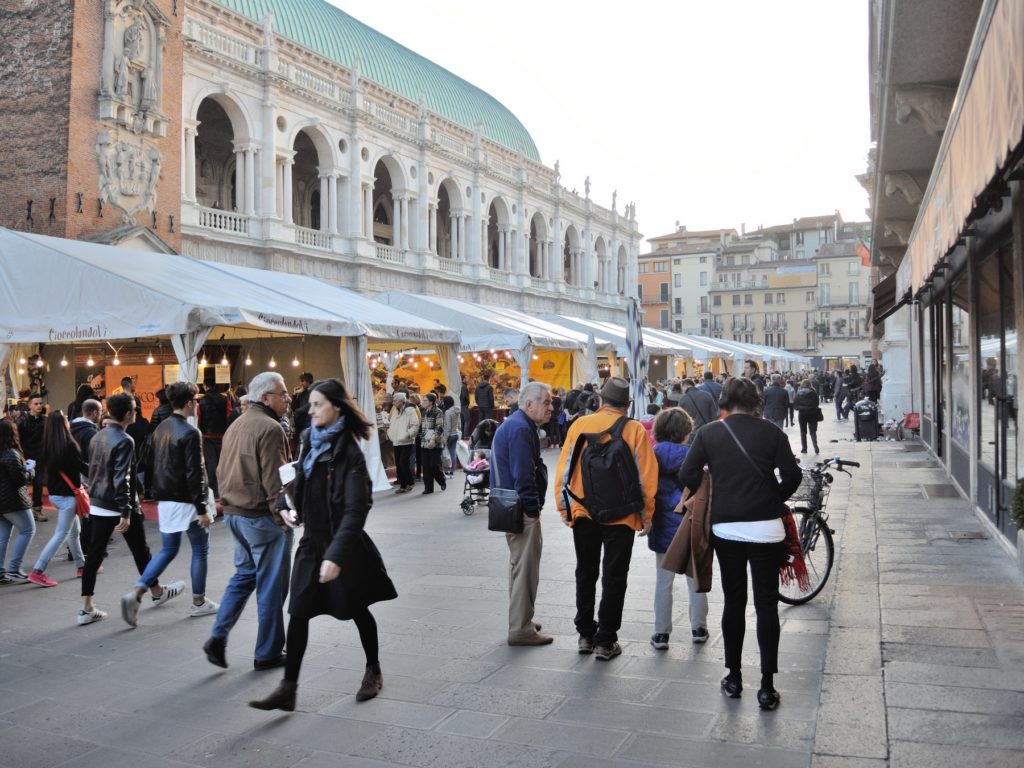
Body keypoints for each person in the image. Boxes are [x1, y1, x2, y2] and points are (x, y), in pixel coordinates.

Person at [248, 378, 397, 711]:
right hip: (312, 543)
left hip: (343, 548)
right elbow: (298, 480)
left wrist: (337, 556)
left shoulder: (350, 453)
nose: (310, 409)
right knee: (298, 611)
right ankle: (288, 688)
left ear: (336, 407)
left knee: (357, 608)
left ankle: (373, 668)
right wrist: (286, 508)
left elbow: (358, 509)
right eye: (311, 404)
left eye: (317, 404)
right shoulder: (309, 441)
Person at [677, 377, 802, 711]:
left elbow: (686, 475)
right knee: (766, 605)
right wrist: (773, 498)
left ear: (723, 401)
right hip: (767, 529)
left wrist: (714, 488)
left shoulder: (708, 433)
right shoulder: (772, 432)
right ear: (756, 402)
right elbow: (793, 476)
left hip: (726, 527)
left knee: (734, 601)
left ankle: (733, 677)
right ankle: (766, 686)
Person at [555, 377, 657, 661]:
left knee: (585, 572)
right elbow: (647, 477)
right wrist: (646, 515)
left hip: (583, 511)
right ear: (627, 405)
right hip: (621, 515)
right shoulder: (634, 429)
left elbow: (564, 470)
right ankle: (606, 640)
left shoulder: (579, 426)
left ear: (600, 400)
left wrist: (565, 509)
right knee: (615, 577)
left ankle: (585, 634)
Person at [203, 372, 292, 670]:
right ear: (266, 398)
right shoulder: (269, 428)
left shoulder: (237, 424)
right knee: (271, 586)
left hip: (235, 514)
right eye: (283, 393)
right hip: (260, 518)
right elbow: (275, 480)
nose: (288, 398)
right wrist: (283, 517)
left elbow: (220, 471)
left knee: (243, 577)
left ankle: (218, 634)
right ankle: (267, 652)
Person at [120, 381, 215, 628]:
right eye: (195, 400)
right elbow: (195, 473)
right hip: (186, 500)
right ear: (188, 402)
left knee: (168, 550)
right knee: (200, 550)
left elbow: (150, 462)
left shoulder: (161, 427)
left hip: (165, 498)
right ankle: (199, 601)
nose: (197, 404)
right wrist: (203, 508)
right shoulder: (190, 433)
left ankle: (139, 591)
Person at [79, 393, 166, 626]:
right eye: (135, 409)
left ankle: (87, 606)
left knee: (94, 556)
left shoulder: (97, 437)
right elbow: (122, 477)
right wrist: (126, 510)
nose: (136, 412)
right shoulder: (125, 440)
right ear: (128, 414)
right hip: (118, 506)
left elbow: (95, 470)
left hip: (98, 503)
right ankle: (156, 591)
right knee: (140, 551)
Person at [490, 381, 554, 646]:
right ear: (529, 404)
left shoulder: (518, 425)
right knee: (526, 568)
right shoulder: (519, 429)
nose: (551, 407)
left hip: (511, 506)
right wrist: (533, 509)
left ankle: (522, 618)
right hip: (519, 507)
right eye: (546, 402)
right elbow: (523, 475)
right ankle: (520, 629)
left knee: (520, 567)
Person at [647, 408, 709, 649]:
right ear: (686, 430)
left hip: (663, 524)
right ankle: (699, 628)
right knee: (696, 577)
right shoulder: (694, 455)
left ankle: (661, 633)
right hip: (691, 523)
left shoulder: (654, 453)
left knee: (663, 581)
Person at [27, 411, 88, 587]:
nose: (68, 420)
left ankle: (82, 566)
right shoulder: (68, 445)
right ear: (62, 424)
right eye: (66, 419)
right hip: (68, 497)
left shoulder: (47, 445)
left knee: (74, 531)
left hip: (54, 496)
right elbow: (83, 468)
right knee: (61, 534)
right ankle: (38, 570)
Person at [0, 420, 36, 584]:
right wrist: (30, 470)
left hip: (2, 501)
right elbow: (20, 480)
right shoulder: (11, 454)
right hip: (13, 500)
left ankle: (1, 572)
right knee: (28, 530)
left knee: (3, 537)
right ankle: (14, 568)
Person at [17, 393, 47, 522]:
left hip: (40, 457)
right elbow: (16, 440)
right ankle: (21, 509)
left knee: (38, 483)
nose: (39, 406)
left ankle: (37, 509)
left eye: (40, 403)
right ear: (30, 405)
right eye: (36, 403)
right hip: (24, 457)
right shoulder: (21, 421)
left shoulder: (46, 420)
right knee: (20, 483)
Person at [198, 383, 231, 498]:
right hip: (222, 435)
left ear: (206, 387)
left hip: (206, 436)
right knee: (222, 462)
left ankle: (214, 489)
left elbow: (198, 417)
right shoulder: (225, 399)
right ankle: (223, 486)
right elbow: (229, 416)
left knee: (211, 462)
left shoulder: (201, 401)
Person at [386, 392, 419, 493]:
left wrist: (408, 434)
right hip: (396, 441)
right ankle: (403, 485)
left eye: (395, 400)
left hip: (407, 441)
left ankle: (410, 482)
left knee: (403, 462)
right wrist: (389, 433)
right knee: (399, 464)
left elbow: (415, 425)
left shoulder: (410, 410)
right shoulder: (395, 411)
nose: (393, 402)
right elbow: (391, 423)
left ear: (401, 401)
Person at [418, 392, 446, 495]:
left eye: (425, 400)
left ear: (431, 402)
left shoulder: (438, 412)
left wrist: (434, 439)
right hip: (424, 442)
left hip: (435, 443)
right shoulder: (424, 411)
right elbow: (422, 426)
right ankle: (428, 488)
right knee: (425, 466)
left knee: (434, 465)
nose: (423, 402)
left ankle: (441, 480)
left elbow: (440, 427)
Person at [794, 377, 821, 454]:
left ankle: (804, 448)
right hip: (812, 413)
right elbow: (817, 403)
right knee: (813, 431)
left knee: (803, 432)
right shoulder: (813, 392)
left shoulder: (799, 393)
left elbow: (795, 405)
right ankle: (815, 446)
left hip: (802, 414)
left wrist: (800, 408)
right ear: (810, 385)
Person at [441, 394, 461, 476]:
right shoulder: (457, 410)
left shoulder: (447, 412)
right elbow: (459, 423)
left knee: (445, 453)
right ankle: (452, 471)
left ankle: (446, 470)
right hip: (456, 433)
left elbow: (447, 426)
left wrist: (445, 438)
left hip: (449, 435)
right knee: (453, 453)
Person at [290, 372, 314, 436]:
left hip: (308, 423)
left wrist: (296, 412)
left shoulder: (313, 392)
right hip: (300, 423)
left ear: (308, 381)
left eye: (302, 381)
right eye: (300, 381)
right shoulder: (301, 393)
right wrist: (294, 394)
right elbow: (293, 407)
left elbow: (309, 405)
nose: (300, 384)